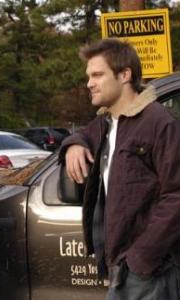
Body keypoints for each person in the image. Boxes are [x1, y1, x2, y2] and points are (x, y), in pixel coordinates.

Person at [59, 38, 180, 299]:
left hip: (151, 271)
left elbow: (176, 196)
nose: (89, 83)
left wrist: (141, 258)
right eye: (89, 76)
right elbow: (84, 134)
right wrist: (74, 144)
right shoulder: (106, 123)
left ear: (124, 75)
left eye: (97, 75)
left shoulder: (159, 123)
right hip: (120, 267)